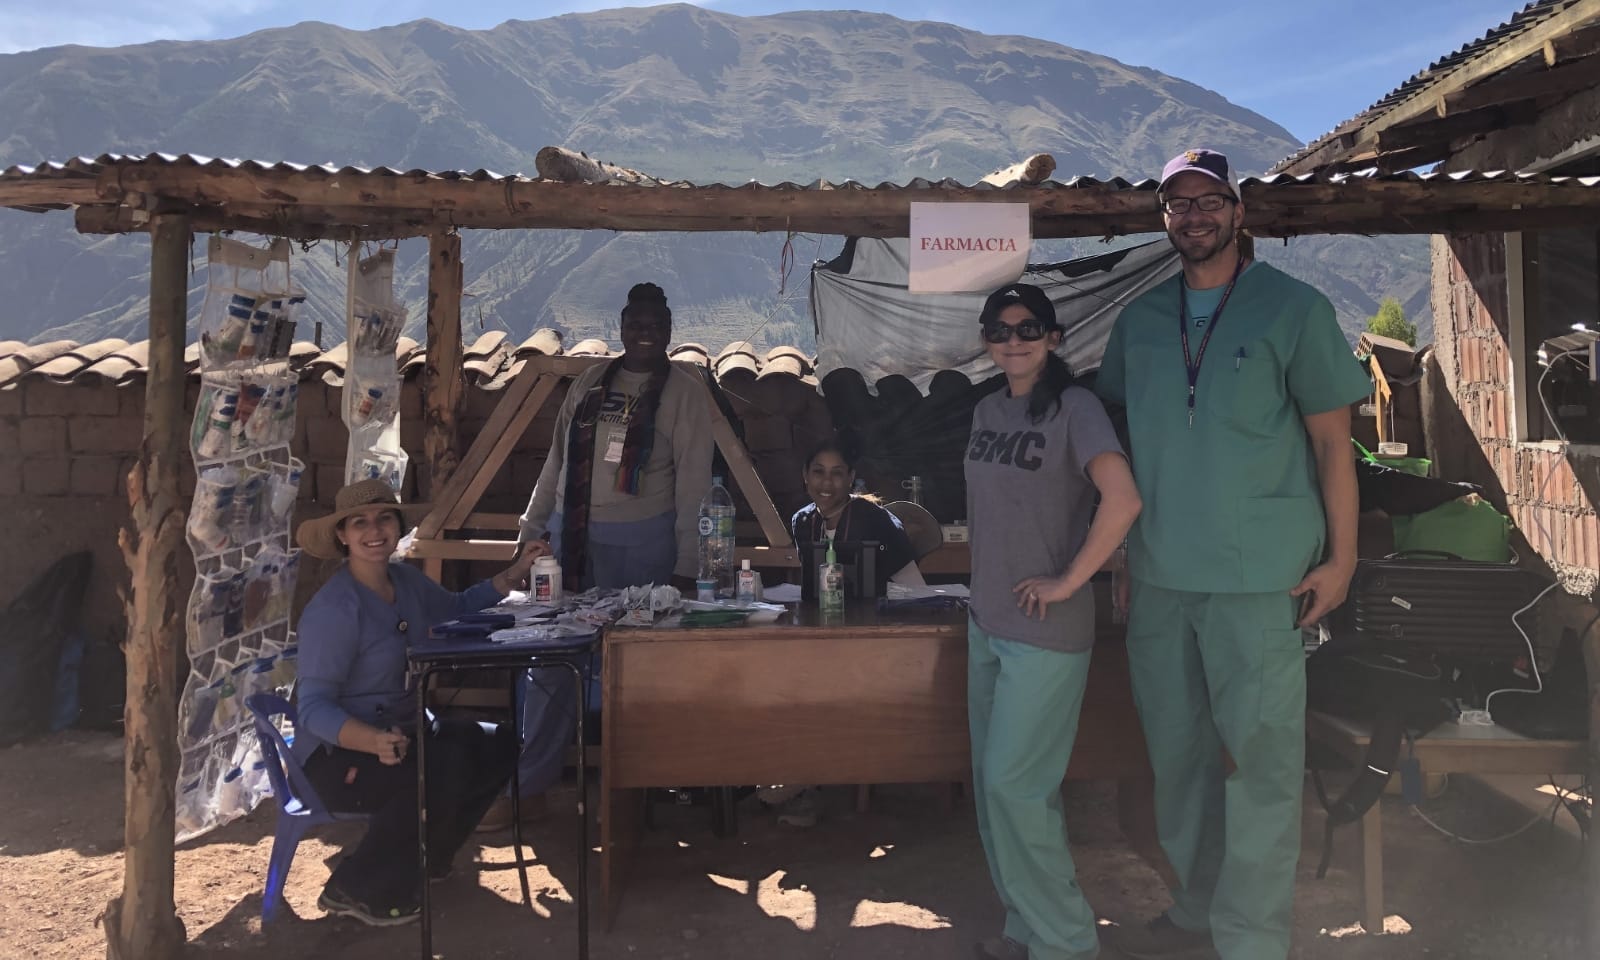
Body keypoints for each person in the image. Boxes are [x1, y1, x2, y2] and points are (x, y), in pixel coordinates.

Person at [1095, 149, 1371, 960]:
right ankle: (1197, 905)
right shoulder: (1139, 323)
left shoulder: (1293, 310)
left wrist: (1343, 561)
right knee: (1176, 762)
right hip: (1159, 576)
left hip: (1263, 579)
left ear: (1239, 211)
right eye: (1177, 204)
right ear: (1164, 219)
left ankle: (1251, 937)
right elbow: (1122, 452)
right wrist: (1118, 559)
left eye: (1209, 200)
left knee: (1261, 765)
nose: (1194, 215)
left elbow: (1333, 449)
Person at [489, 282, 715, 831]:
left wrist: (687, 565)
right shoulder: (591, 384)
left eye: (655, 325)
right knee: (551, 657)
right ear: (620, 326)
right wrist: (533, 527)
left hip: (646, 549)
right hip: (574, 545)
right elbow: (557, 465)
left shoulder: (685, 395)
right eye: (635, 323)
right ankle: (532, 782)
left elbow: (693, 489)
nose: (644, 333)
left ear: (668, 331)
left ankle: (638, 788)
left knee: (639, 668)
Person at [965, 282, 1142, 960]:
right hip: (988, 623)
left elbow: (1122, 501)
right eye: (1000, 330)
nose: (1014, 340)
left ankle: (1067, 941)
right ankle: (1026, 927)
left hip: (1045, 631)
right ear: (986, 340)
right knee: (994, 791)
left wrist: (1072, 579)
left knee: (1017, 787)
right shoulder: (984, 412)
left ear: (1055, 337)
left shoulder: (1076, 408)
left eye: (1028, 327)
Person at [292, 478, 548, 926]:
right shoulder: (335, 609)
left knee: (496, 743)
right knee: (438, 770)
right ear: (342, 536)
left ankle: (429, 857)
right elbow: (313, 708)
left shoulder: (404, 580)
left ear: (397, 525)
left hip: (405, 731)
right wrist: (371, 740)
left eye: (384, 518)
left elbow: (457, 606)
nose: (374, 530)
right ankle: (356, 889)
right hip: (337, 756)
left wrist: (512, 575)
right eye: (359, 523)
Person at [790, 437, 928, 587]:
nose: (827, 482)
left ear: (850, 477)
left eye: (837, 473)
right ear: (805, 474)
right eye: (818, 471)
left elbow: (915, 589)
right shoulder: (802, 522)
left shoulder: (877, 521)